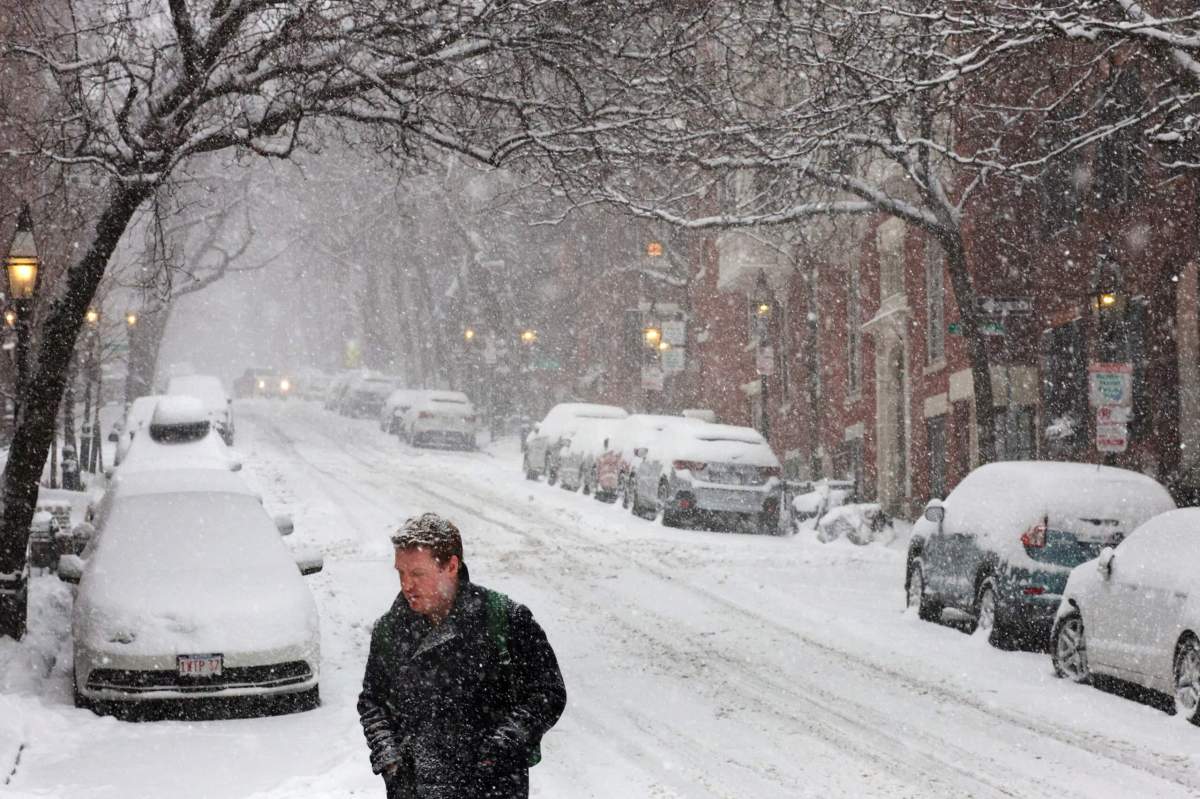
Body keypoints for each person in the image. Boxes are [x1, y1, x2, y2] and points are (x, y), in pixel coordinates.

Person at [358, 512, 566, 799]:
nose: (407, 585)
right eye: (401, 573)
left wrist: (504, 743)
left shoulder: (505, 619)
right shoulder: (390, 630)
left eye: (417, 573)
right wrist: (390, 759)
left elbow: (548, 693)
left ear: (451, 566)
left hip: (492, 787)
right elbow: (373, 702)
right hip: (414, 789)